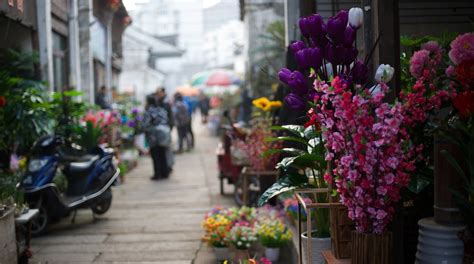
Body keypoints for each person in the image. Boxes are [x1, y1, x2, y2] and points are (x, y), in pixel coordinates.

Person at [142, 96, 171, 180]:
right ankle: (165, 173)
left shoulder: (149, 111)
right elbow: (166, 120)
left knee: (155, 156)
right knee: (162, 154)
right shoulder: (161, 110)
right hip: (163, 136)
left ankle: (157, 174)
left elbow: (145, 124)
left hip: (153, 137)